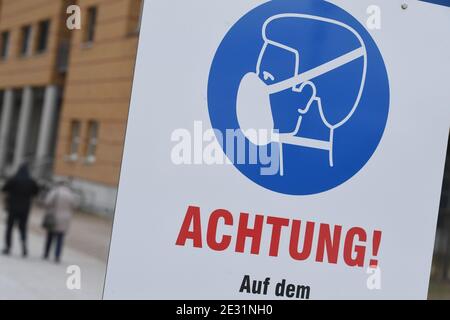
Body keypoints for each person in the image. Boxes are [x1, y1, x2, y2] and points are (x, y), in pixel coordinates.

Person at [2, 164, 39, 257]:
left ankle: (8, 247)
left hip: (12, 208)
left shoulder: (13, 179)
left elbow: (4, 188)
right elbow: (36, 192)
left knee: (9, 228)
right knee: (22, 228)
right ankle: (24, 247)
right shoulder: (31, 181)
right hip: (25, 209)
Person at [43, 179, 79, 263]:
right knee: (60, 238)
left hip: (54, 217)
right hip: (65, 218)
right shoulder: (70, 194)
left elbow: (47, 202)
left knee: (50, 237)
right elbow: (75, 205)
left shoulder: (54, 192)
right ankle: (57, 256)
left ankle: (46, 253)